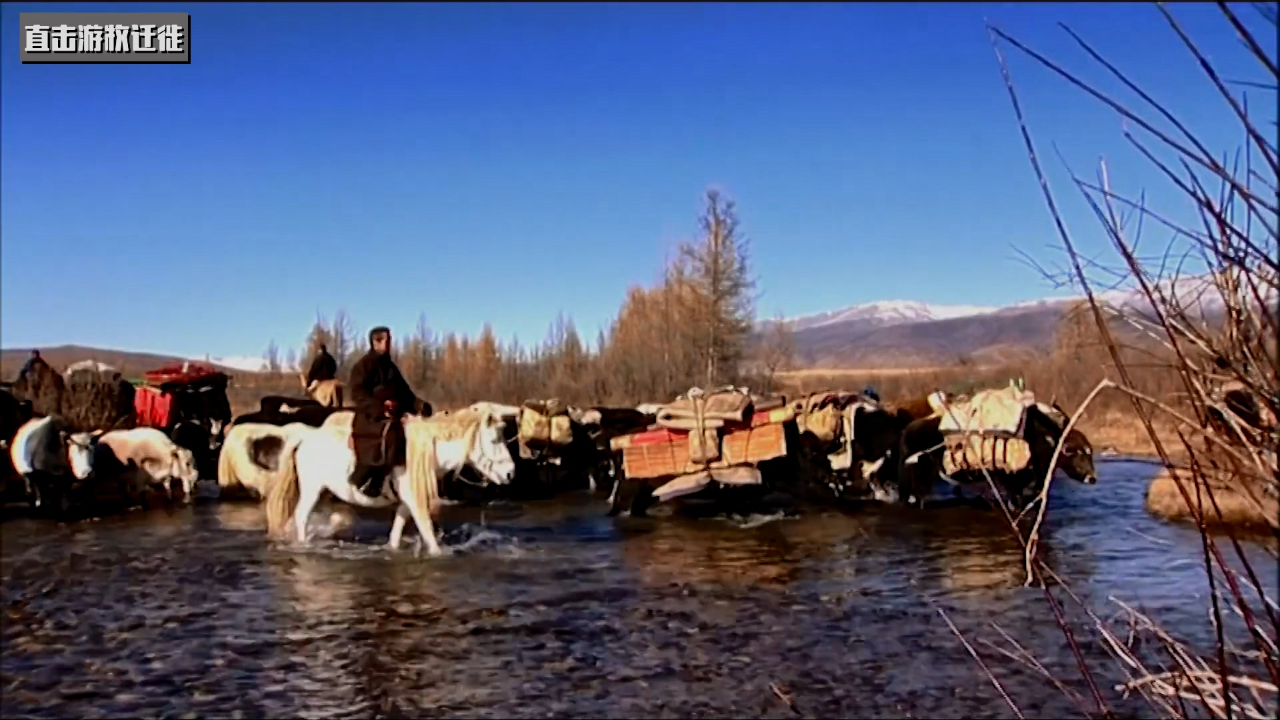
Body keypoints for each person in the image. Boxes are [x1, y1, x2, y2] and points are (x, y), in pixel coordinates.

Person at [347, 327, 433, 498]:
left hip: (392, 416)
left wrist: (419, 405)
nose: (389, 344)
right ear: (375, 342)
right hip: (370, 418)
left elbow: (404, 393)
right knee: (390, 437)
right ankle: (366, 479)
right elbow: (357, 393)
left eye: (389, 340)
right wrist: (380, 408)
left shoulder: (391, 367)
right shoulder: (363, 366)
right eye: (386, 340)